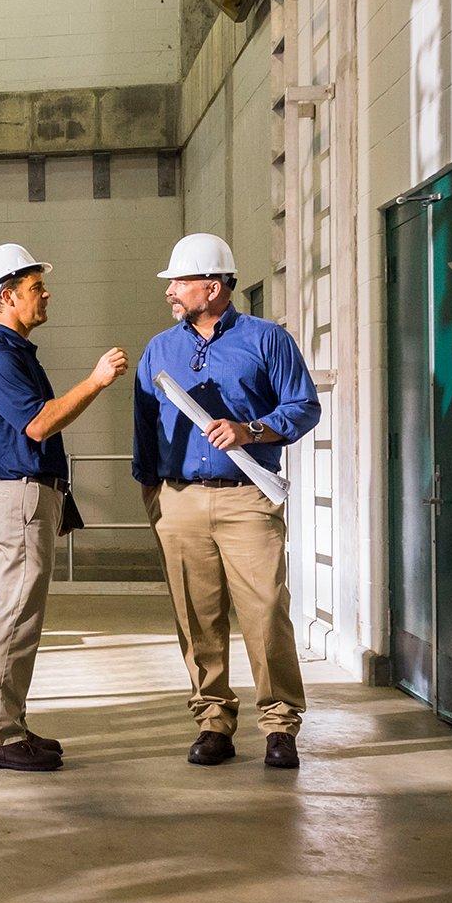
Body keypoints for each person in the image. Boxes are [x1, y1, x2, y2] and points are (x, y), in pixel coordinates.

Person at [132, 233, 321, 769]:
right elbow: (145, 426)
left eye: (179, 282)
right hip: (180, 500)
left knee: (265, 612)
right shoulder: (159, 350)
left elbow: (304, 407)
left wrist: (252, 430)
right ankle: (213, 720)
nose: (170, 291)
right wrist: (154, 493)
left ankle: (280, 725)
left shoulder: (267, 341)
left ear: (212, 287)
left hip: (247, 499)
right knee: (196, 617)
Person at [0, 243, 128, 772]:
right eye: (36, 288)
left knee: (22, 617)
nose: (46, 294)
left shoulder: (16, 355)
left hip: (30, 497)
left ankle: (8, 725)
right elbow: (38, 424)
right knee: (14, 617)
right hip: (19, 497)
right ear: (8, 297)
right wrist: (96, 381)